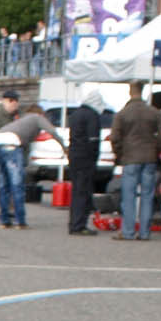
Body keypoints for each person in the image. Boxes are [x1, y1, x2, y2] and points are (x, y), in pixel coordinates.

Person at [108, 80, 161, 242]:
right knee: (147, 195)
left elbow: (115, 137)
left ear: (130, 92)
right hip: (149, 157)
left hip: (130, 157)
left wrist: (119, 153)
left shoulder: (122, 114)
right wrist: (156, 149)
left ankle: (128, 231)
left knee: (129, 196)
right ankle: (145, 232)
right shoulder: (154, 112)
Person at [0, 90, 48, 229]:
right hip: (3, 153)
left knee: (12, 186)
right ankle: (6, 216)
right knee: (6, 187)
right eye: (11, 101)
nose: (14, 104)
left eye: (16, 101)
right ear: (4, 101)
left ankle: (11, 215)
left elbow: (27, 139)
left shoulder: (20, 116)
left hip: (16, 153)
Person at [64, 87, 104, 235]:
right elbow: (93, 139)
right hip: (86, 158)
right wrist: (94, 157)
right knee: (84, 191)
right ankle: (79, 224)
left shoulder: (75, 115)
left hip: (74, 155)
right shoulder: (92, 115)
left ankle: (74, 222)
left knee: (77, 190)